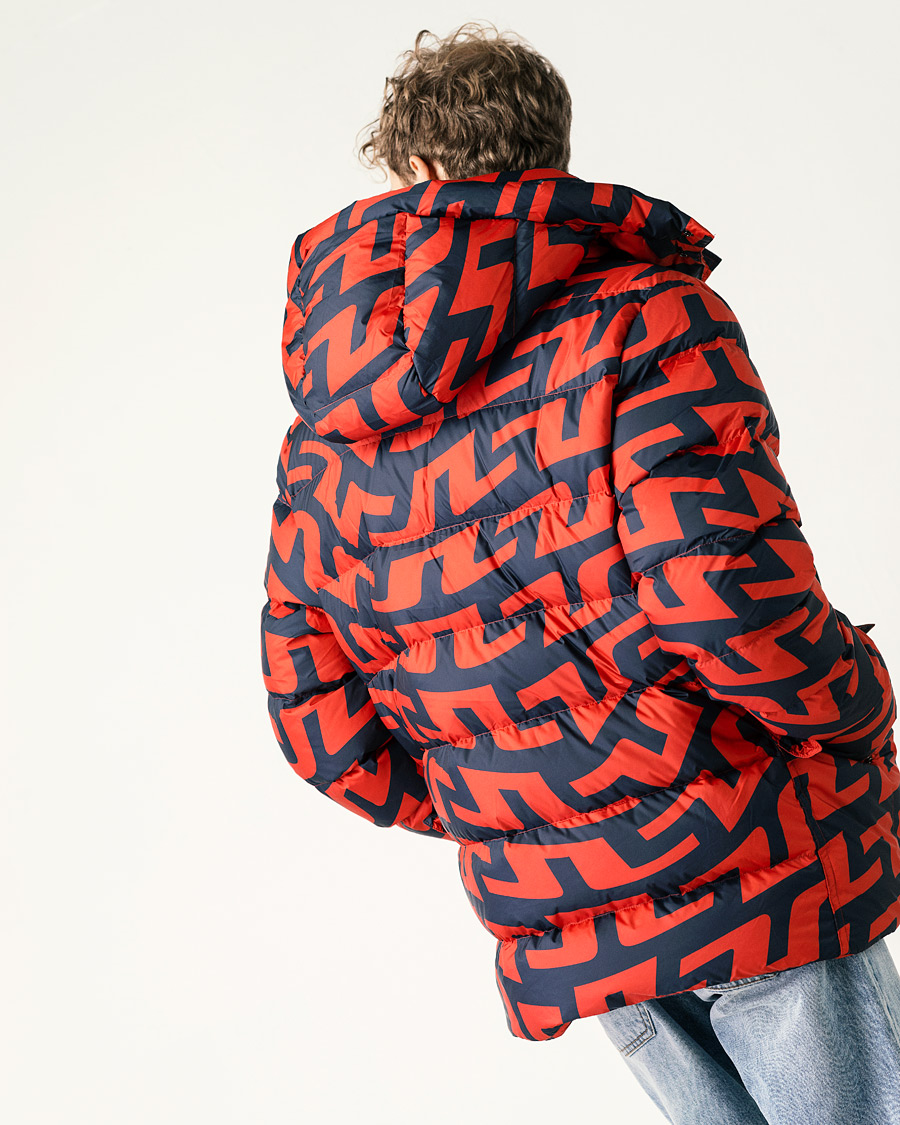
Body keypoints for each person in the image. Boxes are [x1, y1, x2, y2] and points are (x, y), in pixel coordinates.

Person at [259, 20, 900, 1123]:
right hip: (754, 855)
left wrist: (514, 803)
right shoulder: (651, 320)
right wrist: (856, 698)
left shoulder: (329, 435)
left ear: (414, 168)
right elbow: (728, 601)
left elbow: (317, 721)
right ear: (551, 158)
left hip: (577, 913)